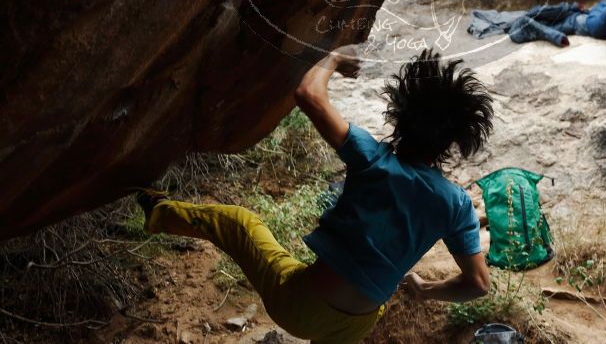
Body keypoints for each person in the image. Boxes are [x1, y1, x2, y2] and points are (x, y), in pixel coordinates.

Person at [134, 47, 494, 343]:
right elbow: (477, 284)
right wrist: (424, 289)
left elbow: (308, 94)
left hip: (301, 305)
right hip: (357, 325)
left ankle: (158, 210)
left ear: (400, 117)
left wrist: (334, 58)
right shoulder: (457, 204)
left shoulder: (372, 157)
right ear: (452, 142)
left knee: (238, 223)